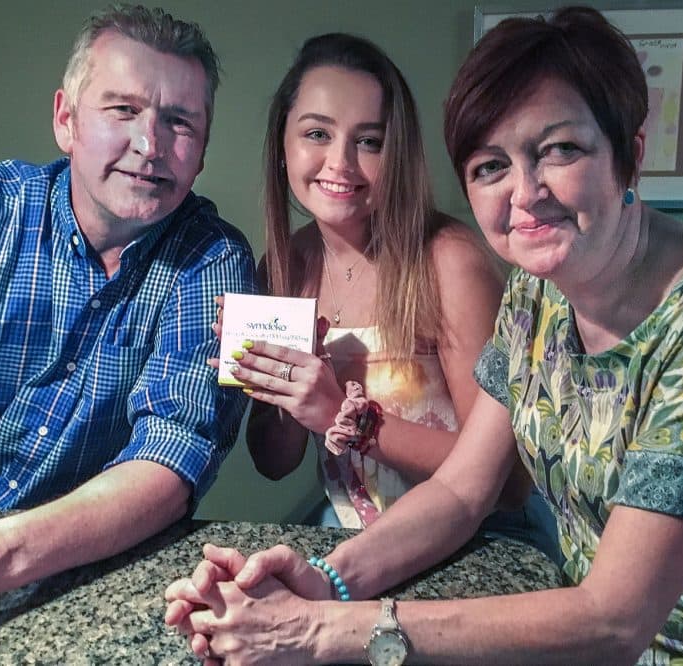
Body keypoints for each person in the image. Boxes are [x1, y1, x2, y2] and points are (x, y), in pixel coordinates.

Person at [164, 8, 683, 664]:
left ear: (630, 154)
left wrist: (327, 630)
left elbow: (616, 617)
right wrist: (326, 580)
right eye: (491, 166)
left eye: (558, 150)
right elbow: (466, 489)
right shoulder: (538, 290)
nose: (524, 193)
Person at [0, 5, 253, 663]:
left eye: (178, 122)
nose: (150, 145)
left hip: (96, 568)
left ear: (202, 149)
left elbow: (175, 453)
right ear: (66, 119)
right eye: (122, 110)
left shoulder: (215, 261)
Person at [214, 31, 551, 545]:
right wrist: (284, 388)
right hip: (354, 536)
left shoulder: (449, 261)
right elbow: (273, 464)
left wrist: (342, 417)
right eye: (317, 134)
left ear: (398, 153)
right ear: (283, 144)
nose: (341, 164)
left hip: (481, 540)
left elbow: (507, 483)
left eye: (369, 141)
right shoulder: (283, 265)